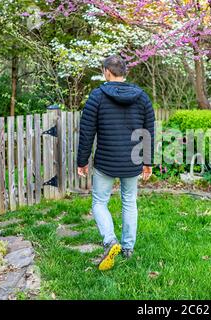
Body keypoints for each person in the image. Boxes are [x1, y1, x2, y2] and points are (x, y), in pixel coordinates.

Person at [77, 55, 155, 271]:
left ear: (106, 72)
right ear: (124, 73)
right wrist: (147, 162)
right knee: (129, 201)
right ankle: (128, 248)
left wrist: (82, 161)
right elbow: (148, 132)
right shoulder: (142, 98)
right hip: (132, 161)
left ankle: (111, 241)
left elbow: (87, 133)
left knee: (99, 202)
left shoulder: (97, 97)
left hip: (106, 162)